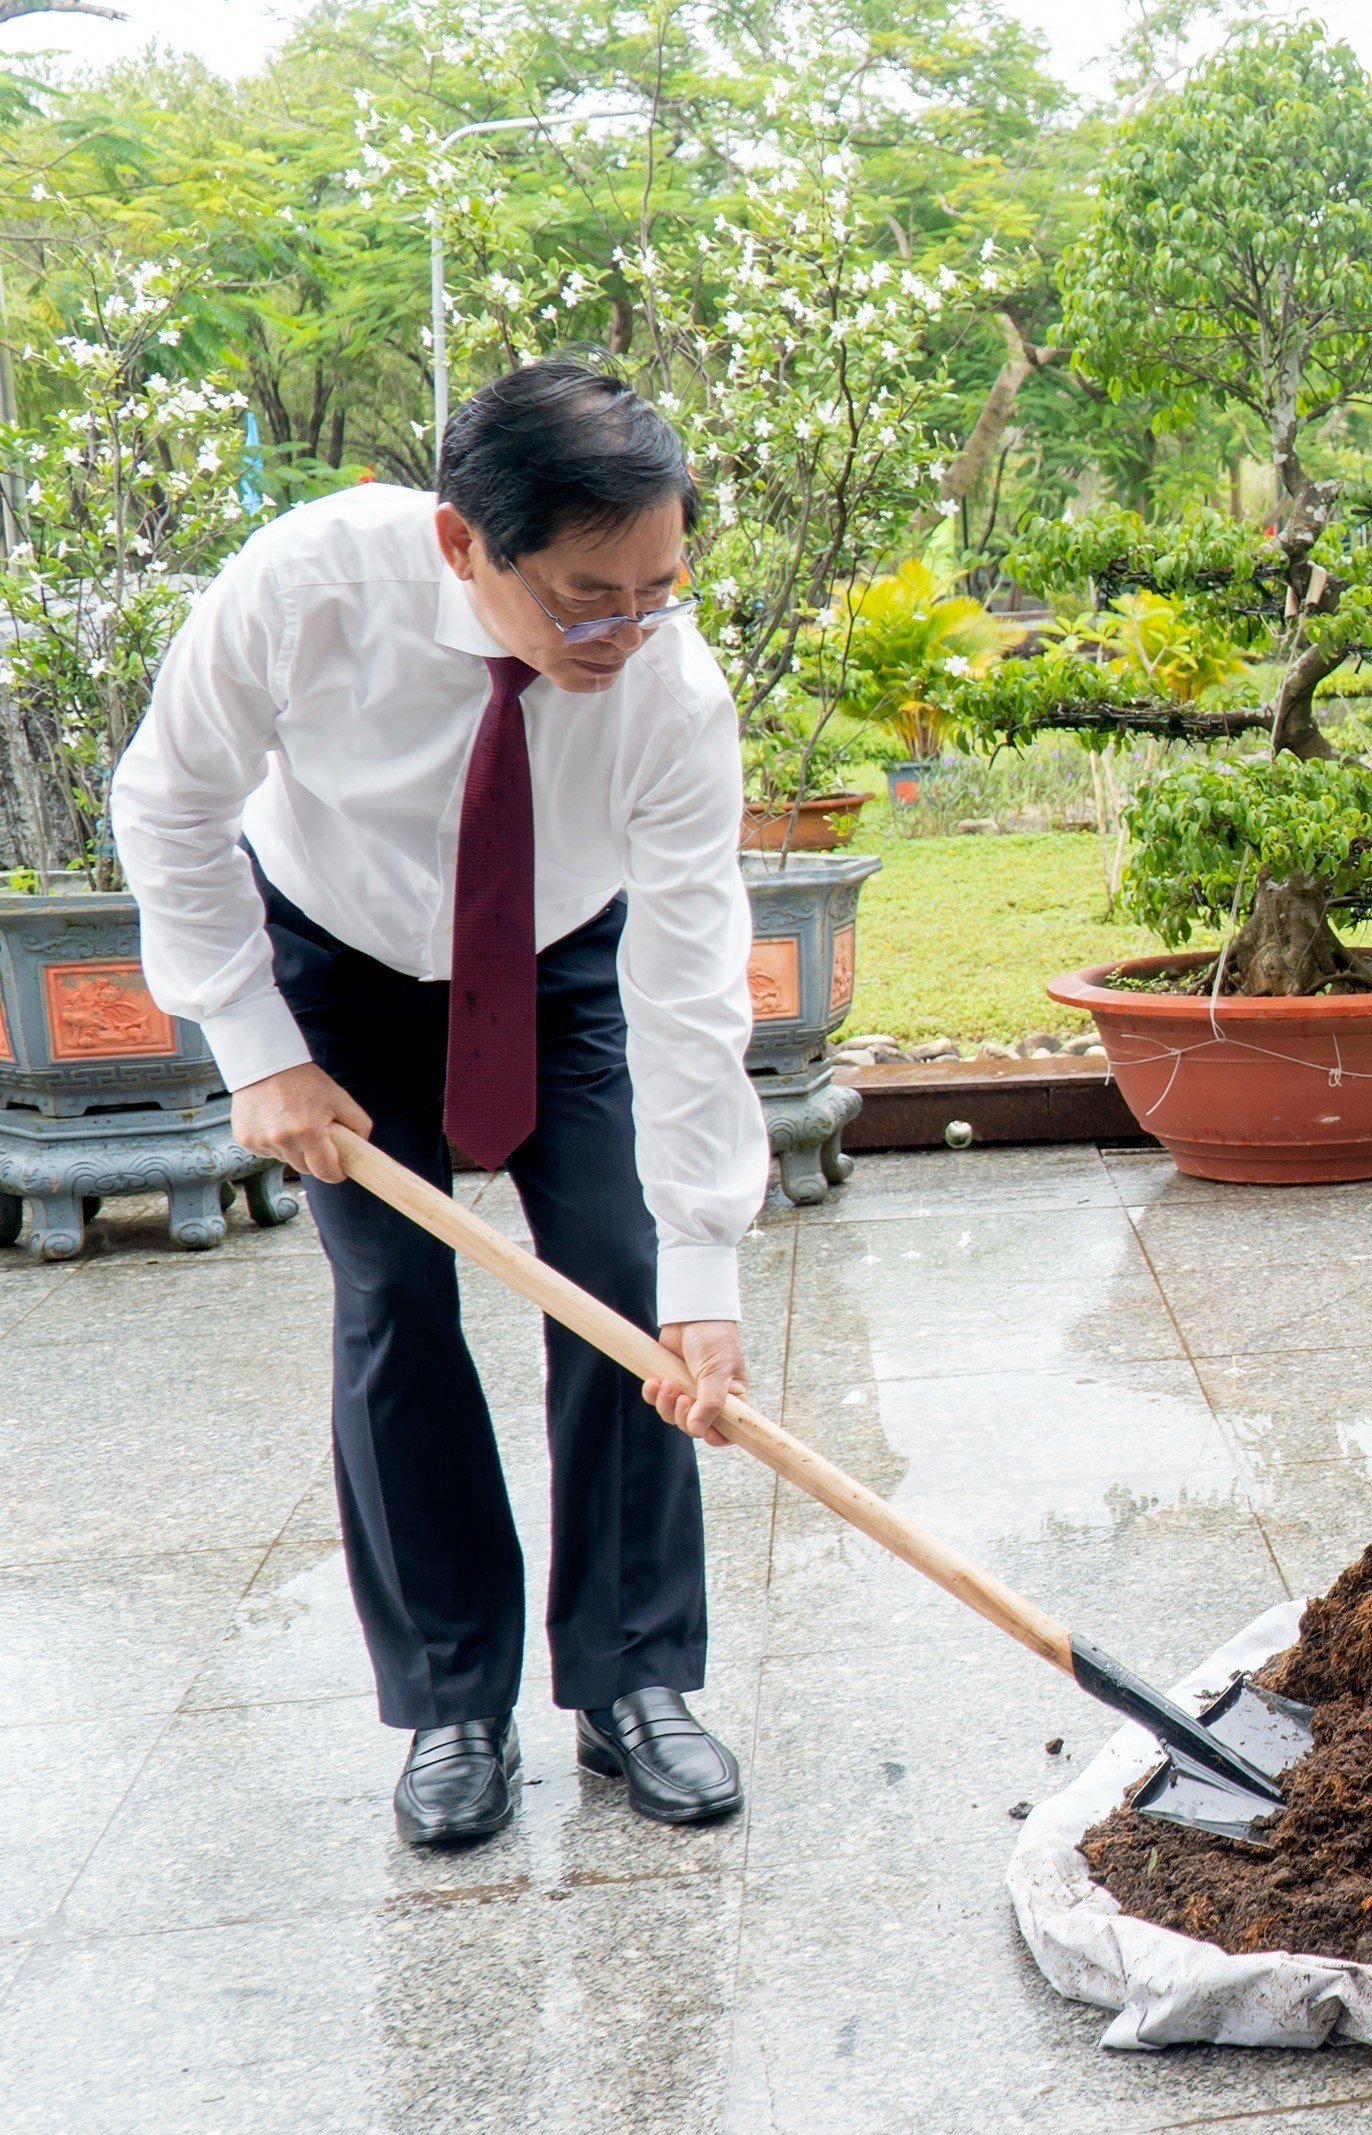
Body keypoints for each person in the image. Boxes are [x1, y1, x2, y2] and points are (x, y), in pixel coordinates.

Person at [118, 361, 764, 1844]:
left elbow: (686, 978)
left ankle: (632, 1677)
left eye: (661, 584)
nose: (630, 627)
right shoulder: (304, 584)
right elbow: (168, 798)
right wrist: (255, 1043)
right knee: (396, 1298)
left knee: (623, 1281)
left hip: (566, 957)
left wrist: (708, 1267)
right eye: (589, 596)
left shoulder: (668, 686)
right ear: (464, 544)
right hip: (336, 966)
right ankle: (454, 1698)